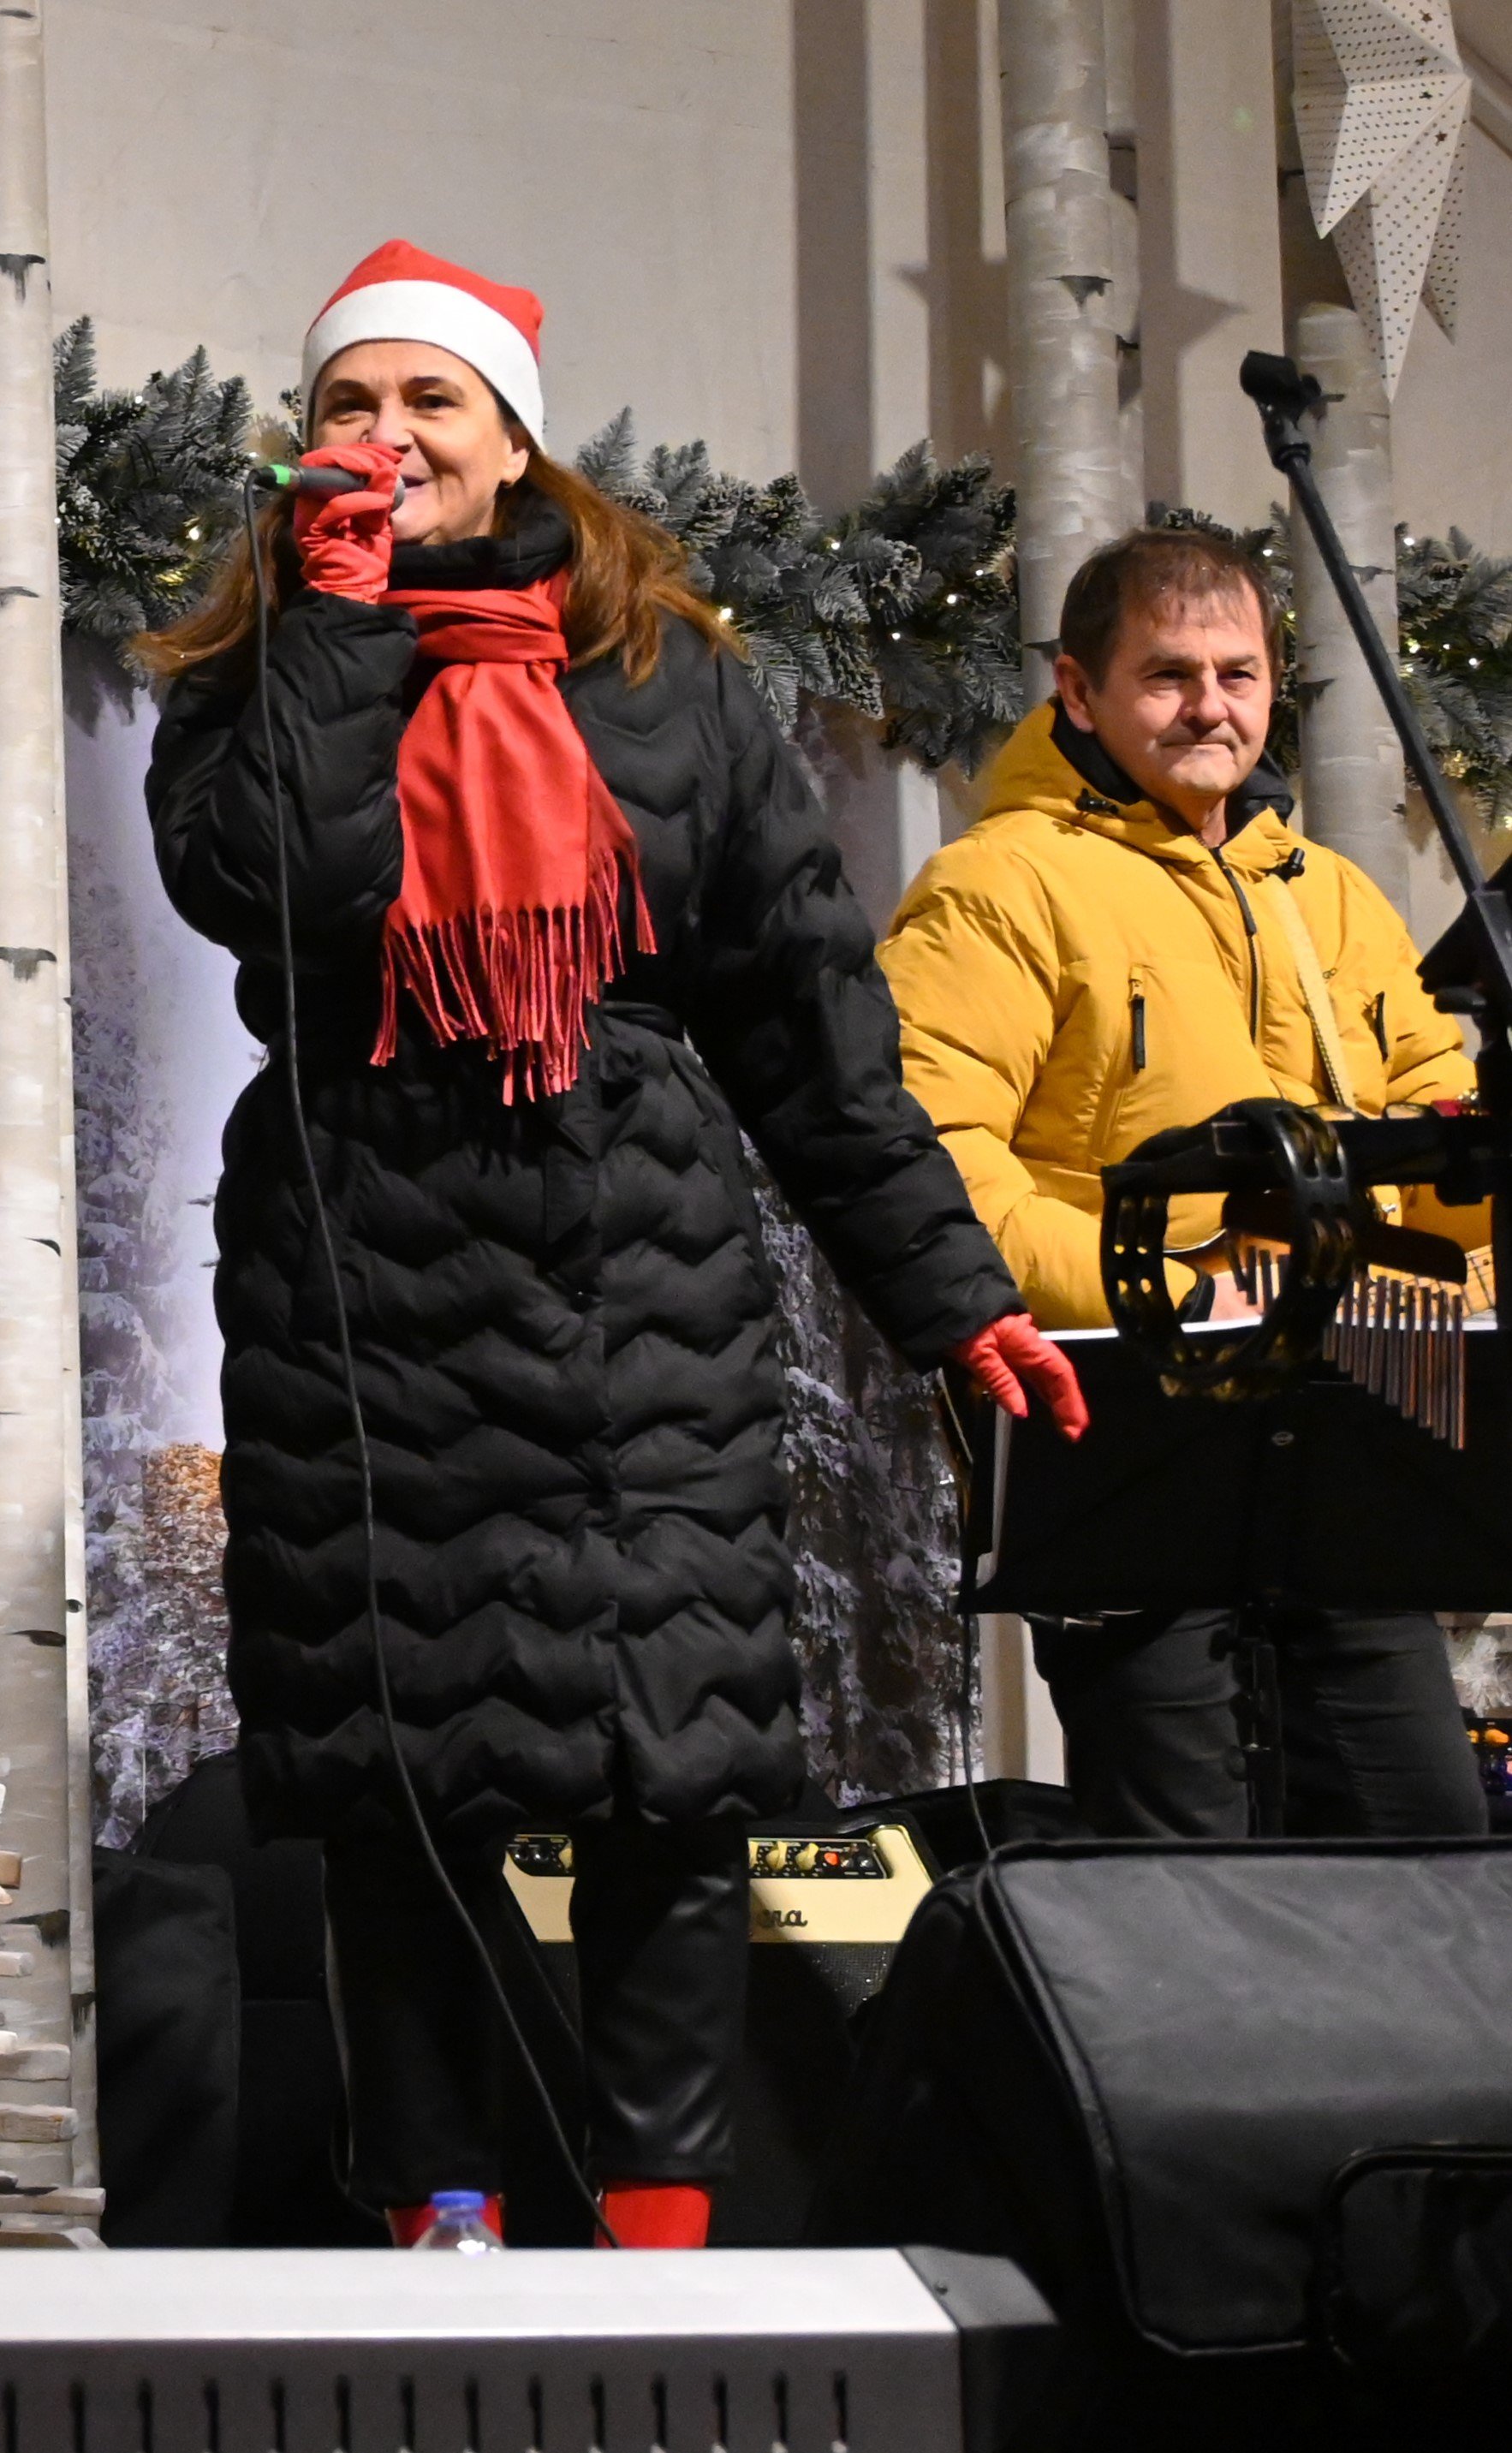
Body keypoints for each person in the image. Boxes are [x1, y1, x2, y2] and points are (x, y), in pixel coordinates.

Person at [139, 239, 1086, 2250]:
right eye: (347, 405)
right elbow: (272, 889)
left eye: (429, 405)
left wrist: (951, 1291)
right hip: (362, 1278)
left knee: (679, 1771)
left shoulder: (668, 678)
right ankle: (436, 2228)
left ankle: (662, 2242)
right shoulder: (256, 668)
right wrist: (328, 634)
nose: (383, 440)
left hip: (638, 1272)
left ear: (511, 440)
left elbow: (806, 1019)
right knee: (408, 1785)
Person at [879, 525, 1487, 1844]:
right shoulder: (996, 887)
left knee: (1429, 1848)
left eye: (1238, 673)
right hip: (1129, 1428)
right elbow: (934, 1163)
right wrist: (1166, 1286)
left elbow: (1433, 1137)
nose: (1210, 706)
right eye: (1166, 675)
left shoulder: (1329, 896)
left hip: (1351, 1414)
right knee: (1181, 1860)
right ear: (1077, 689)